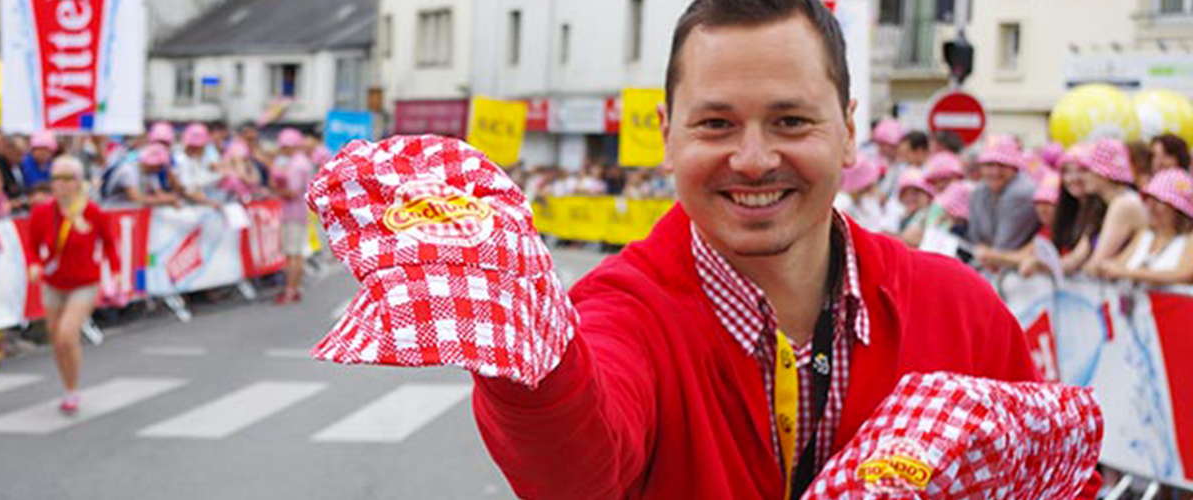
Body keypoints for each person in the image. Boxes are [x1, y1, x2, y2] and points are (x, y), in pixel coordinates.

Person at [305, 1, 1099, 498]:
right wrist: (529, 349)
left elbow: (1046, 474)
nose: (753, 159)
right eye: (716, 124)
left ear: (849, 128)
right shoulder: (621, 310)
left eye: (791, 121)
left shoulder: (959, 307)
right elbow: (580, 476)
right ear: (667, 136)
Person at [27, 156, 121, 415]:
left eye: (68, 178)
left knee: (68, 333)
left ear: (79, 182)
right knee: (57, 340)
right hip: (53, 282)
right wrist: (33, 264)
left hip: (84, 283)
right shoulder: (42, 212)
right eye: (56, 178)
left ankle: (73, 390)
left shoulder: (92, 211)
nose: (61, 184)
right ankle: (68, 387)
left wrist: (115, 272)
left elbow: (110, 243)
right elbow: (32, 246)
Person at [1093, 168, 1193, 286]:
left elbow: (1184, 274)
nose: (1151, 206)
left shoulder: (1188, 239)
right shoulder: (1144, 235)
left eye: (1159, 201)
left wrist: (1130, 273)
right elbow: (1117, 265)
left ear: (1178, 210)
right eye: (1148, 199)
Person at [1062, 139, 1148, 275]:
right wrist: (1047, 266)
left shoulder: (1124, 204)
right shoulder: (1102, 204)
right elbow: (1077, 256)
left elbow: (1097, 262)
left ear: (1104, 173)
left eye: (1086, 170)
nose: (1081, 177)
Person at [967, 138, 1040, 270]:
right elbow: (975, 240)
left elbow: (1004, 247)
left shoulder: (1021, 193)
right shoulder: (979, 191)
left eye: (1002, 165)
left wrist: (987, 254)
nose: (995, 172)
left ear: (1015, 168)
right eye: (989, 165)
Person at [271, 128, 314, 304]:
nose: (282, 149)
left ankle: (290, 290)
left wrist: (276, 188)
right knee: (295, 253)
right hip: (298, 212)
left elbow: (291, 192)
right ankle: (293, 289)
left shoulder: (297, 164)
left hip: (293, 212)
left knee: (293, 254)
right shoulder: (299, 162)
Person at [103, 143, 184, 206]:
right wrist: (167, 200)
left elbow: (159, 194)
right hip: (112, 210)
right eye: (159, 166)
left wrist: (172, 199)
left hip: (129, 212)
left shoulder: (151, 172)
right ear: (152, 163)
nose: (160, 170)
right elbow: (136, 198)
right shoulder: (128, 170)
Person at [832, 154, 886, 232]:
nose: (873, 188)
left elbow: (877, 226)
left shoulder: (867, 201)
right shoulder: (842, 202)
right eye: (869, 186)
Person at [174, 123, 221, 204]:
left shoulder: (193, 159)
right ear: (196, 146)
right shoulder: (179, 160)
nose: (205, 148)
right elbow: (184, 190)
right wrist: (207, 201)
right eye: (203, 146)